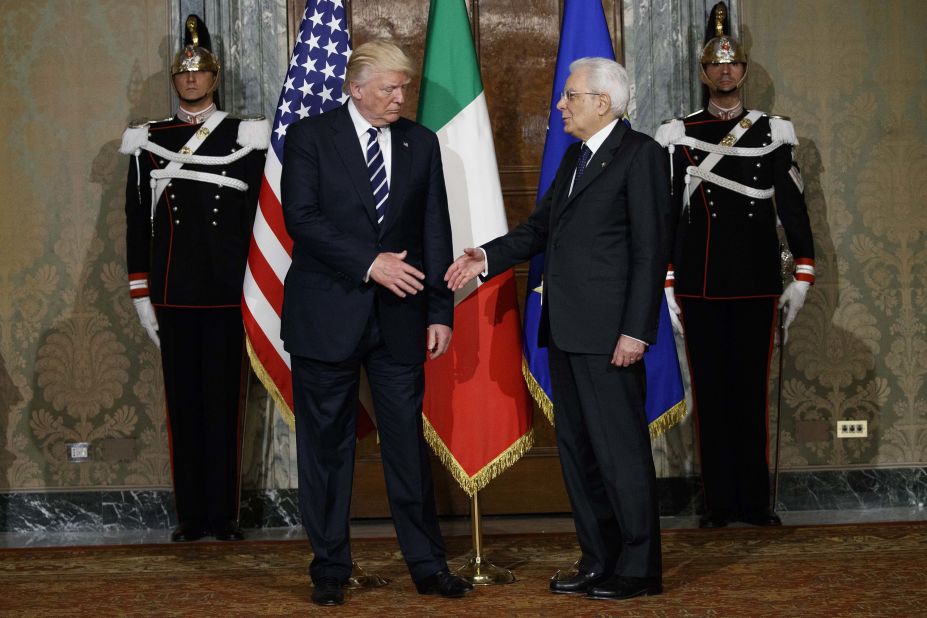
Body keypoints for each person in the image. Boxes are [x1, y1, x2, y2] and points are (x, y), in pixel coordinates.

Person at [445, 57, 670, 601]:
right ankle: (599, 559)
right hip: (567, 330)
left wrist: (636, 331)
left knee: (621, 454)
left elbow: (649, 251)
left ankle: (639, 569)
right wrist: (486, 258)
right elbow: (541, 229)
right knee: (580, 453)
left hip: (612, 335)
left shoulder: (641, 155)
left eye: (570, 96)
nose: (561, 105)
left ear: (602, 102)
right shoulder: (575, 157)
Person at [279, 40, 473, 607]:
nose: (399, 97)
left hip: (401, 319)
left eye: (404, 87)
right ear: (354, 87)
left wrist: (440, 311)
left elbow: (436, 229)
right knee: (327, 448)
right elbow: (302, 219)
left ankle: (428, 566)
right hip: (327, 314)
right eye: (388, 88)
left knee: (406, 448)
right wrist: (370, 263)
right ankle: (330, 569)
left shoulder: (420, 142)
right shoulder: (311, 138)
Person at [655, 2, 815, 528]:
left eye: (733, 63)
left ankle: (754, 503)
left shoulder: (773, 131)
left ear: (743, 71)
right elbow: (668, 215)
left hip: (755, 280)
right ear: (703, 73)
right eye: (715, 64)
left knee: (751, 391)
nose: (725, 71)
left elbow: (791, 207)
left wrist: (803, 277)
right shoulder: (678, 134)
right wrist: (668, 280)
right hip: (700, 282)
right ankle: (719, 504)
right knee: (711, 392)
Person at [120, 15, 269, 542]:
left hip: (228, 291)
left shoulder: (245, 136)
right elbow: (138, 222)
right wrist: (141, 291)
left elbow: (260, 218)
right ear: (174, 80)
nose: (190, 80)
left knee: (226, 406)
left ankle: (224, 516)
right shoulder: (149, 139)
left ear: (215, 77)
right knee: (182, 406)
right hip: (175, 292)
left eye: (199, 72)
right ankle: (191, 516)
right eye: (182, 73)